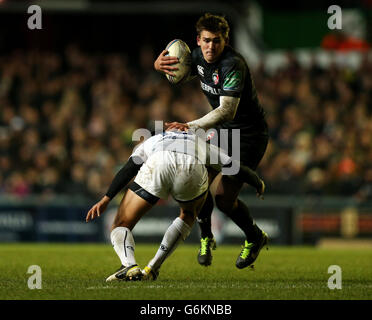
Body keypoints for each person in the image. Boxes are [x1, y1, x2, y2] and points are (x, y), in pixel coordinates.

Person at [154, 13, 269, 269]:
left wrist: (190, 126)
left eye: (216, 41)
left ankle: (254, 236)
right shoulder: (196, 56)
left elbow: (227, 110)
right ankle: (206, 236)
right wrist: (157, 65)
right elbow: (172, 67)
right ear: (198, 40)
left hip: (249, 135)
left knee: (224, 199)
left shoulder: (233, 64)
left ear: (225, 41)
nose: (210, 47)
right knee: (197, 178)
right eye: (206, 41)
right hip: (222, 130)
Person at [85, 130, 265, 281]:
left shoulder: (154, 140)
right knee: (188, 214)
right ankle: (152, 268)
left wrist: (107, 198)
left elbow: (129, 168)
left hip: (160, 162)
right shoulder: (203, 144)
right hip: (191, 167)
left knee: (121, 224)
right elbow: (237, 168)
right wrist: (258, 182)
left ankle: (129, 265)